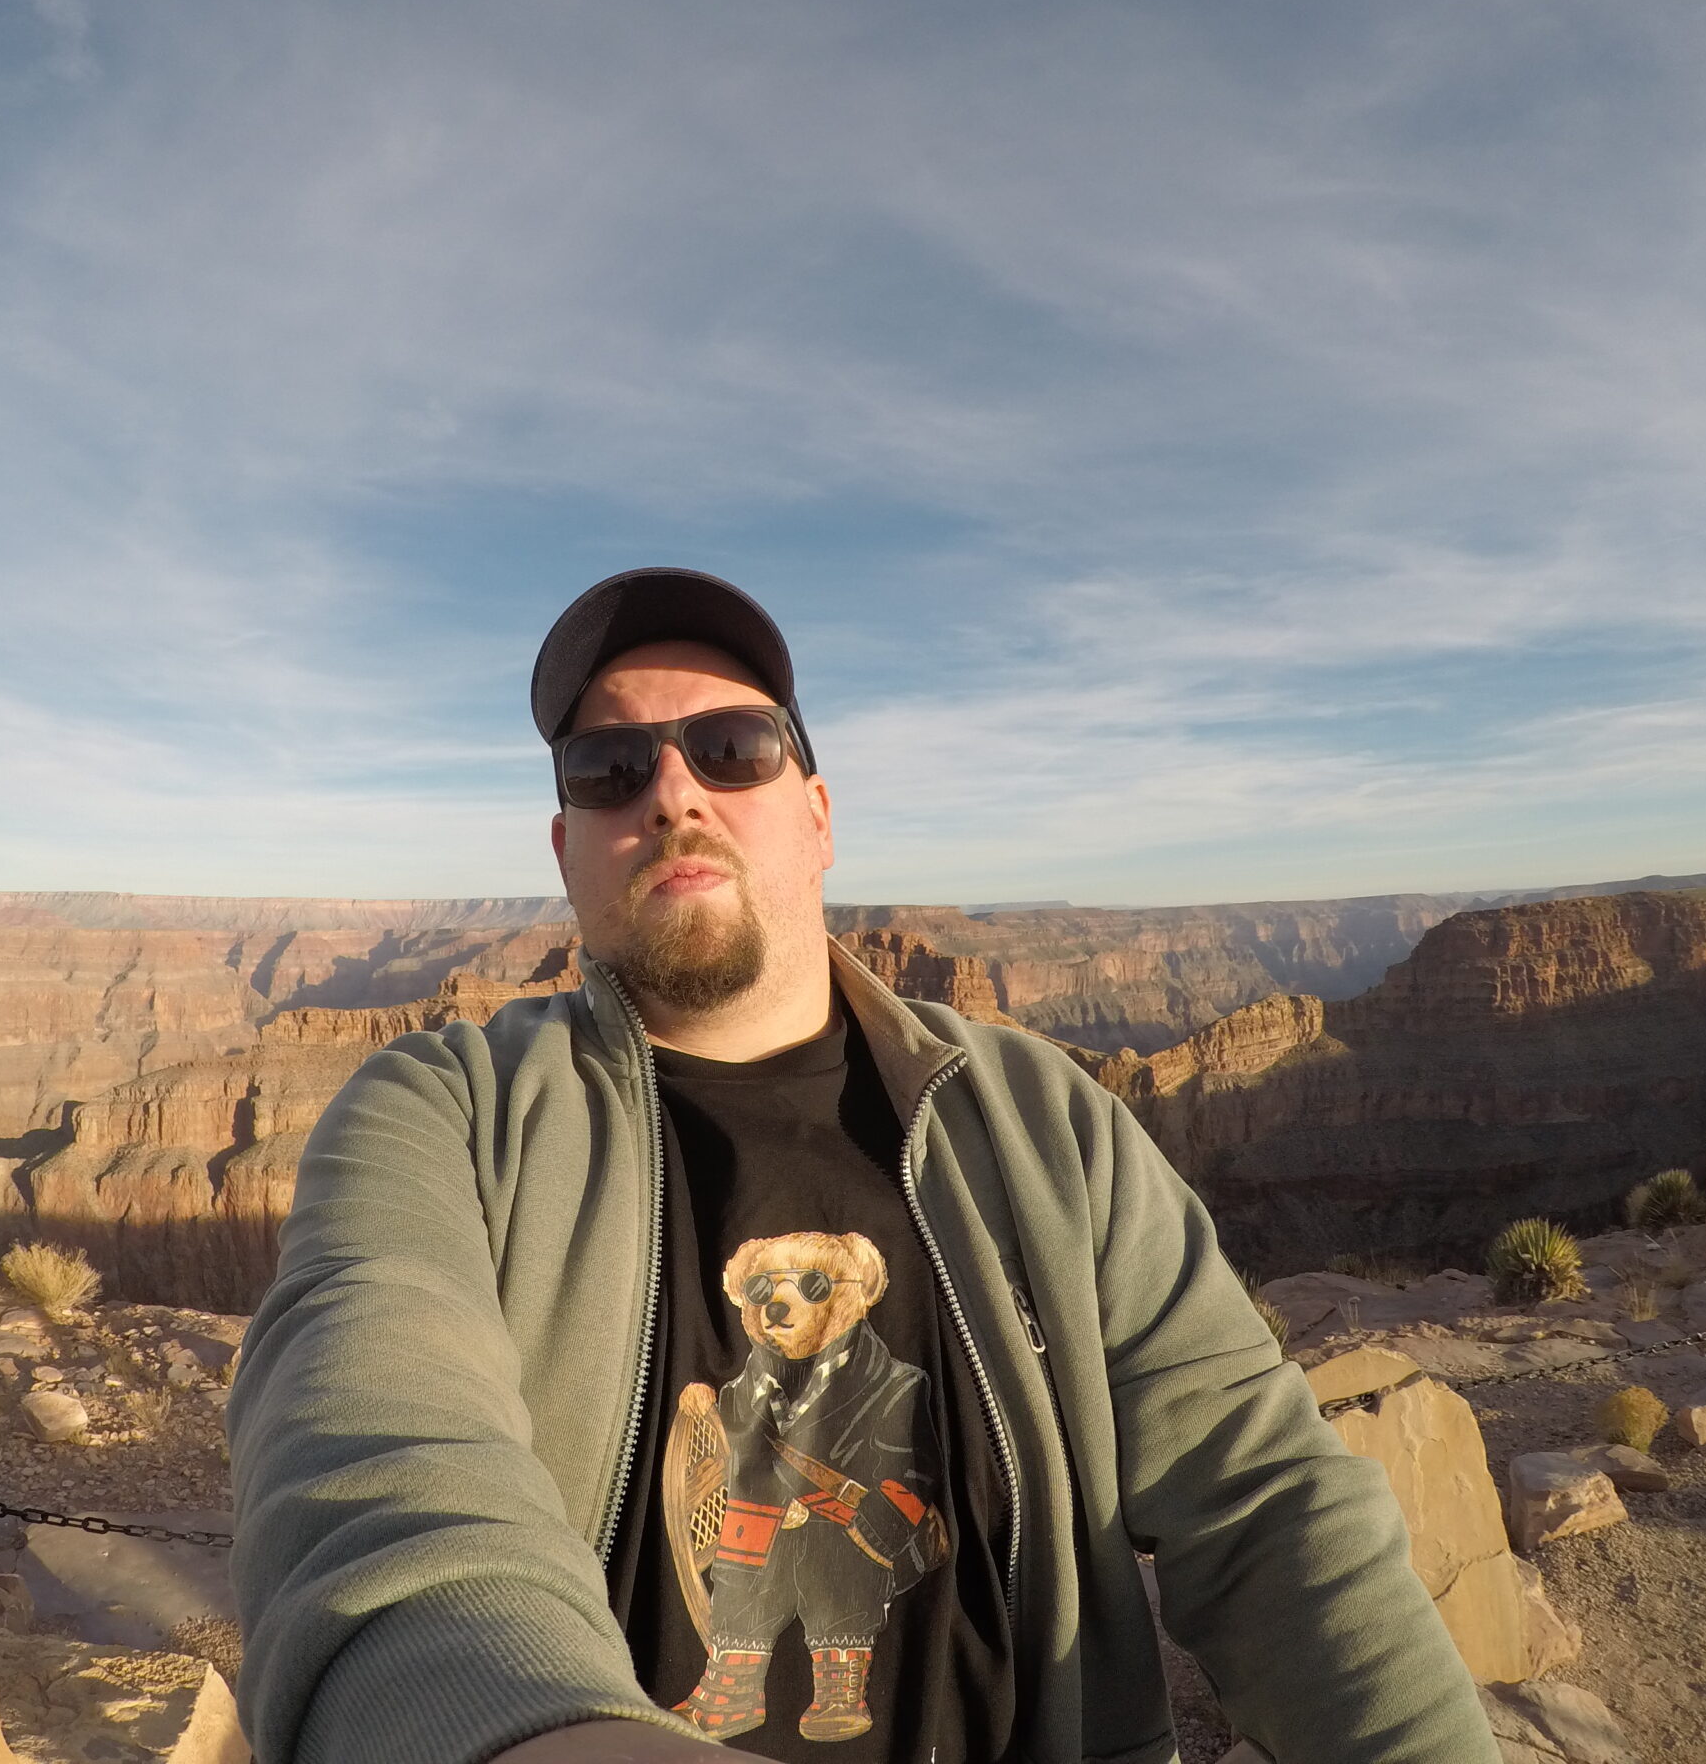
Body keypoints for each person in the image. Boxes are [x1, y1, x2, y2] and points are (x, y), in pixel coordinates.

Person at [229, 568, 1497, 1764]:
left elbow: (1266, 1500)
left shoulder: (1044, 1121)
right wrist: (529, 1732)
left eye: (732, 747)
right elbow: (375, 1457)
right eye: (610, 768)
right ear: (566, 851)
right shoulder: (444, 1114)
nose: (671, 795)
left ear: (818, 816)